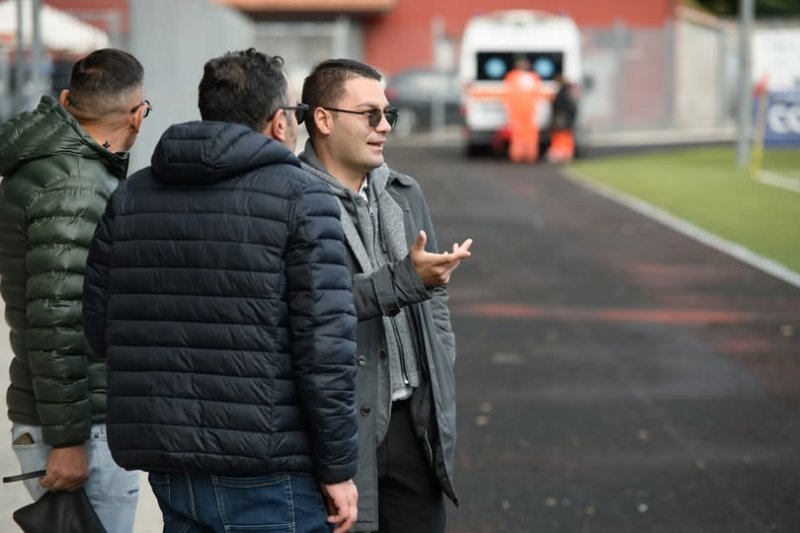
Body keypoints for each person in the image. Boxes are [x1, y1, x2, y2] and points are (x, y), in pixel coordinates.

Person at [81, 48, 360, 533]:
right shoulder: (303, 199)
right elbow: (324, 352)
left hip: (170, 464)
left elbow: (100, 329)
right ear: (278, 123)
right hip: (269, 471)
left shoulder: (132, 196)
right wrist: (338, 470)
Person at [298, 58, 473, 533]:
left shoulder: (404, 192)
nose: (384, 127)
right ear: (324, 119)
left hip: (413, 423)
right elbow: (316, 305)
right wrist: (407, 279)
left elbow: (434, 299)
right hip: (340, 429)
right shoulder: (294, 201)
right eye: (370, 115)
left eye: (387, 114)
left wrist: (440, 360)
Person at [0, 48, 147, 533]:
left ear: (65, 99)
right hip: (81, 428)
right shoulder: (78, 185)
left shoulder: (47, 163)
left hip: (63, 414)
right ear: (135, 116)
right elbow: (59, 320)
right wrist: (68, 441)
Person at [502, 57, 545, 163]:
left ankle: (529, 155)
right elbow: (508, 94)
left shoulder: (532, 77)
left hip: (528, 111)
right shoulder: (513, 77)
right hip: (519, 111)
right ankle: (519, 155)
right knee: (519, 135)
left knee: (529, 135)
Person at [547, 73, 578, 163]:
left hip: (562, 118)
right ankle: (565, 154)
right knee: (565, 136)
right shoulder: (568, 92)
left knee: (560, 136)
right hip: (566, 119)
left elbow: (559, 105)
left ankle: (560, 154)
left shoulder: (562, 93)